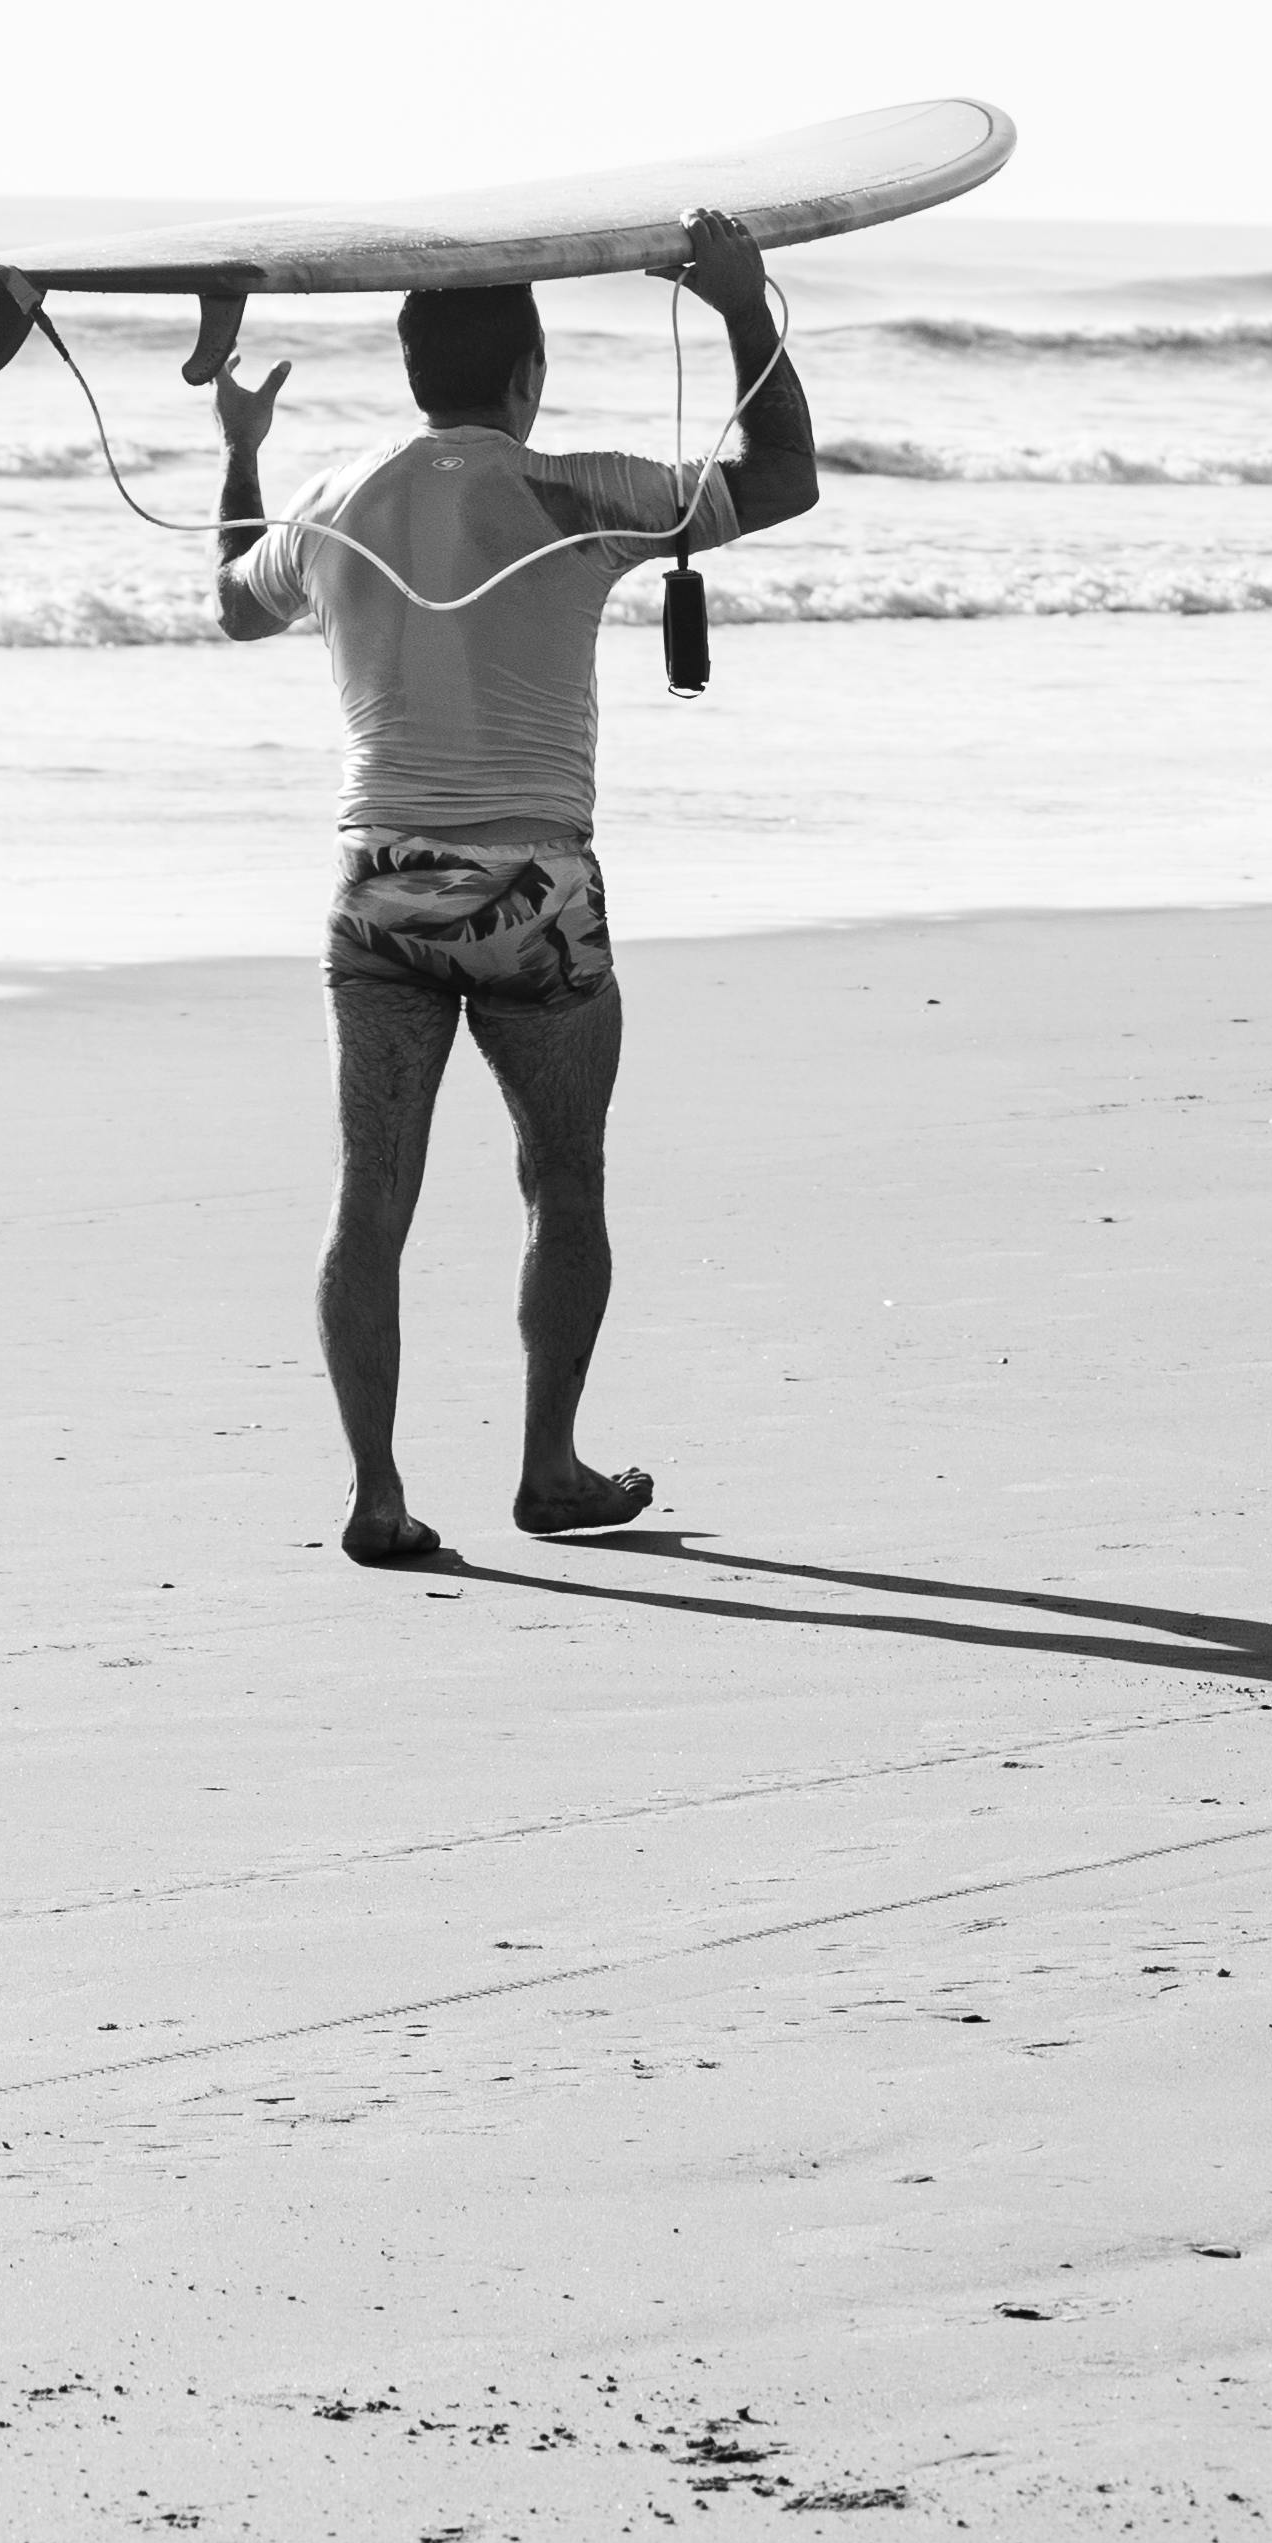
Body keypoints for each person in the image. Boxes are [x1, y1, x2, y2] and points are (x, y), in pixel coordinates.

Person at [208, 208, 814, 1565]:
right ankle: (549, 1471)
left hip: (379, 888)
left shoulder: (328, 503)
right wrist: (739, 306)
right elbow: (783, 478)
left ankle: (376, 1495)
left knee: (371, 1196)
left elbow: (233, 606)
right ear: (528, 373)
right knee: (563, 1180)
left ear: (412, 369)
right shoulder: (573, 493)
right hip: (536, 893)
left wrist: (242, 449)